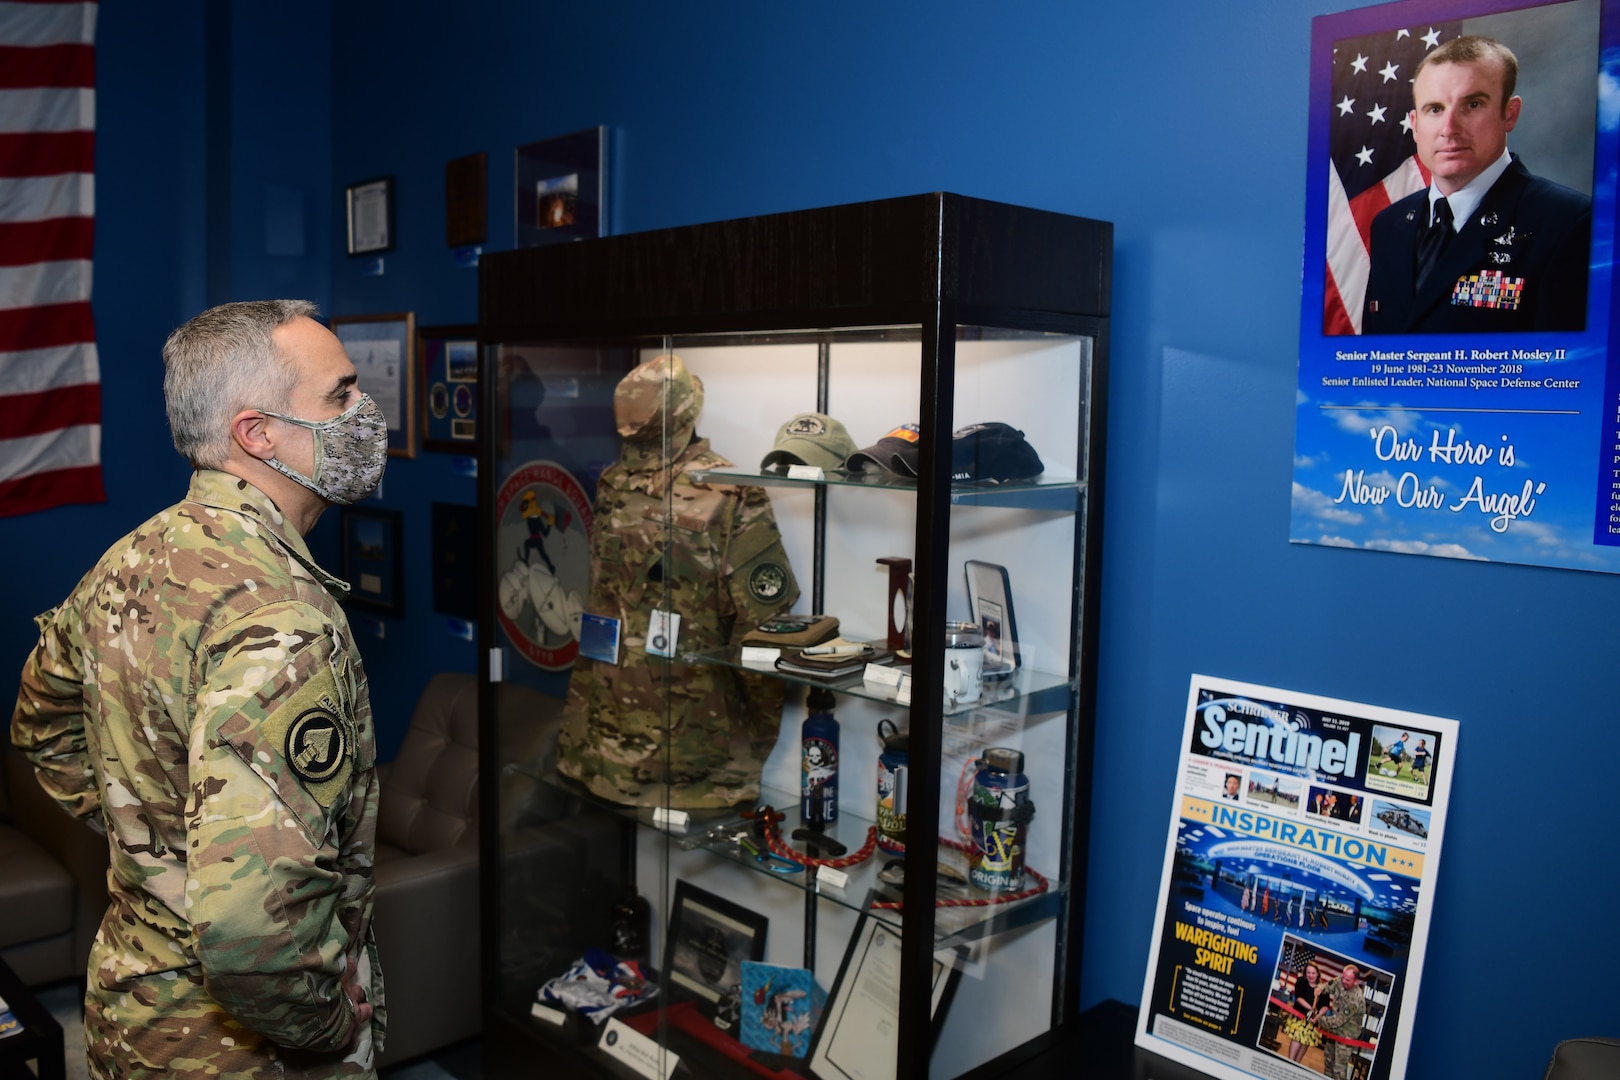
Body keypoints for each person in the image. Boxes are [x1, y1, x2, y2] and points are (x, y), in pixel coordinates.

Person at [11, 301, 386, 1077]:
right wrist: (326, 1027)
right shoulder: (286, 621)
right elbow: (255, 931)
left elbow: (41, 728)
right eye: (341, 396)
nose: (365, 413)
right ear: (258, 435)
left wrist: (159, 843)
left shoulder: (133, 556)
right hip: (235, 1050)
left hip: (128, 1011)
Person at [1362, 35, 1591, 334]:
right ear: (1415, 125)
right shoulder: (1389, 225)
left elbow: (1565, 371)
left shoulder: (1568, 222)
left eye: (1472, 104)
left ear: (1510, 113)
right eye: (1435, 109)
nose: (1449, 129)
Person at [1318, 964, 1369, 1080]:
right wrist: (1320, 988)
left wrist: (1318, 1020)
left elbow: (1338, 1020)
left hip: (1346, 1036)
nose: (1344, 981)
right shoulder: (1340, 980)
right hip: (1334, 1032)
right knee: (1328, 1061)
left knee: (1339, 1070)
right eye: (1343, 977)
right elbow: (1329, 986)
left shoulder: (1356, 999)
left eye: (1348, 980)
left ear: (1355, 982)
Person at [1284, 961, 1329, 1064]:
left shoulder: (1323, 988)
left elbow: (1326, 1006)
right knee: (1297, 1038)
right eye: (1308, 972)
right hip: (1300, 1017)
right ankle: (1289, 1062)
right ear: (1305, 973)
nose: (1311, 975)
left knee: (1305, 1043)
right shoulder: (1301, 981)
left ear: (1317, 974)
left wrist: (1317, 1015)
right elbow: (1299, 997)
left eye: (1313, 973)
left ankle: (1296, 1064)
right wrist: (1311, 1008)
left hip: (1313, 1022)